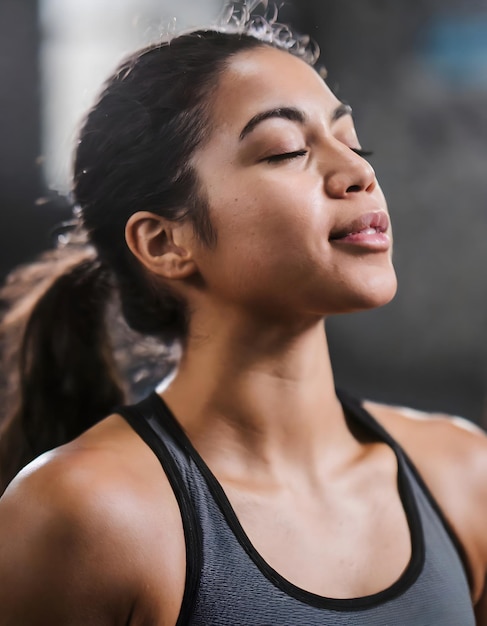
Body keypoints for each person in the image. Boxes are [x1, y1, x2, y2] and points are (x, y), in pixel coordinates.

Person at [0, 3, 486, 624]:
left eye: (350, 139)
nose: (358, 172)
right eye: (285, 151)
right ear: (164, 243)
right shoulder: (87, 513)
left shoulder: (462, 475)